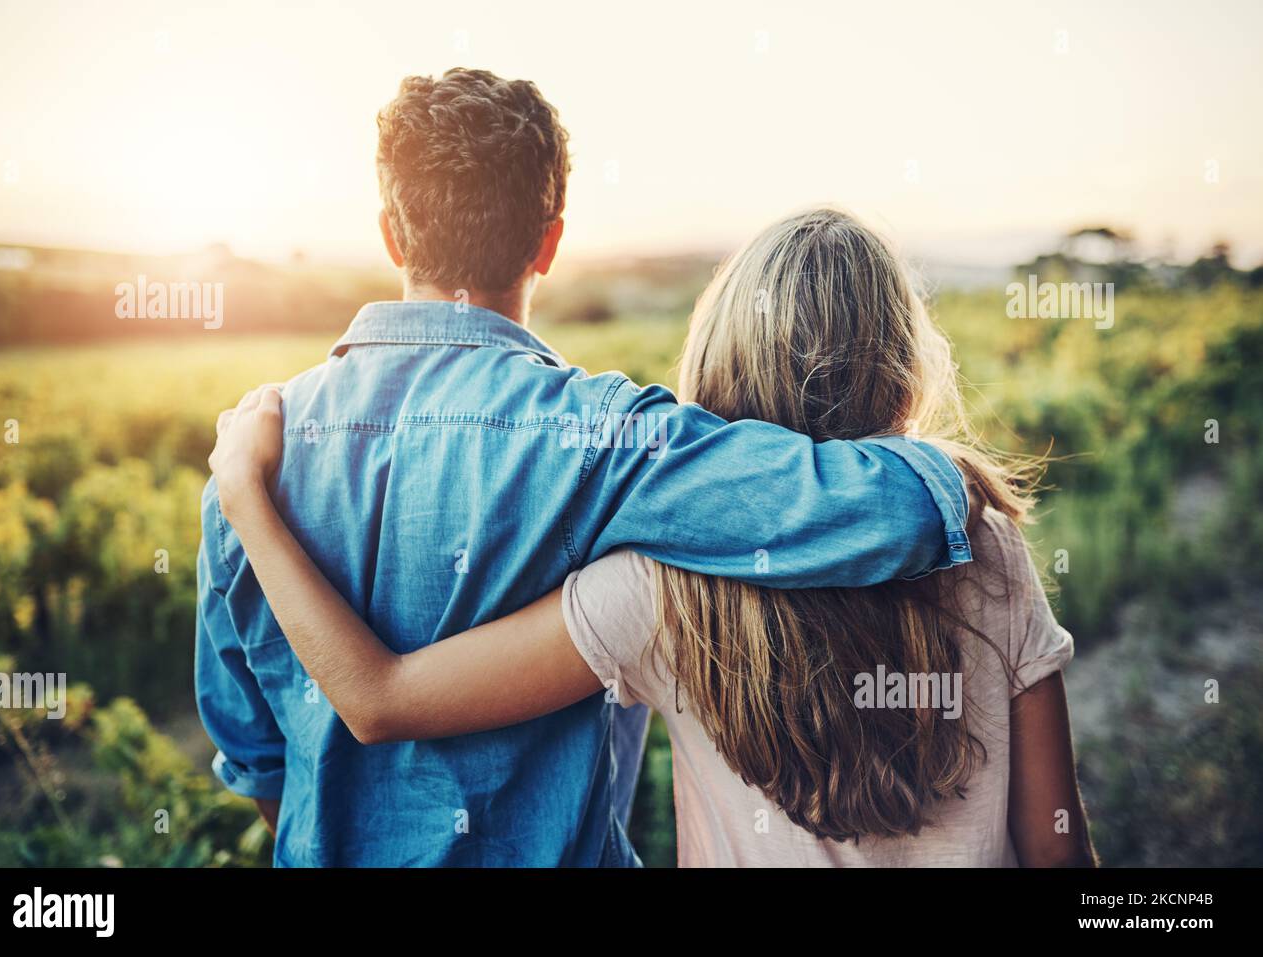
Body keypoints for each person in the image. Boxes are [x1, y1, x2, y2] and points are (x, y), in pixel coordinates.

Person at [194, 71, 970, 867]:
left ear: (392, 235)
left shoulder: (249, 462)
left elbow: (259, 763)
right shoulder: (606, 439)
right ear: (549, 241)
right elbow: (888, 511)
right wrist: (953, 477)